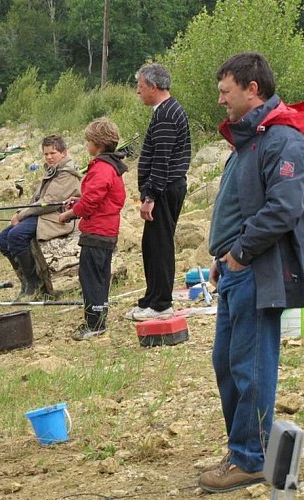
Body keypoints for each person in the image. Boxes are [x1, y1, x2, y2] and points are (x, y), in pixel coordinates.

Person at [200, 52, 304, 494]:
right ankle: (248, 448)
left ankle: (250, 459)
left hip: (258, 270)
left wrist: (239, 254)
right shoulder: (250, 140)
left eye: (225, 92)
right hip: (235, 270)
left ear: (253, 89)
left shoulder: (283, 140)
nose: (220, 101)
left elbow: (283, 211)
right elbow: (240, 207)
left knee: (250, 366)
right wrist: (221, 259)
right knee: (227, 363)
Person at [125, 63, 192, 322]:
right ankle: (152, 298)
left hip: (165, 189)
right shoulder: (164, 111)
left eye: (140, 87)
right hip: (165, 188)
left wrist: (150, 196)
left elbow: (162, 160)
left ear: (153, 86)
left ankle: (162, 303)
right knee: (151, 245)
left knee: (160, 246)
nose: (137, 92)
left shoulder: (166, 114)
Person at [59, 118, 127, 340]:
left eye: (88, 141)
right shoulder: (110, 167)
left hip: (97, 232)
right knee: (99, 275)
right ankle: (99, 318)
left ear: (97, 144)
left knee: (90, 277)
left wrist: (70, 213)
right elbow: (93, 197)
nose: (86, 145)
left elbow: (90, 203)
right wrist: (76, 200)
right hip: (105, 231)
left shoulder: (102, 168)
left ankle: (94, 323)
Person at [0, 135, 81, 298]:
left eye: (53, 153)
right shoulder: (53, 169)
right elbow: (37, 199)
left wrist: (21, 215)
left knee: (16, 235)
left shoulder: (67, 173)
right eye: (46, 154)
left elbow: (50, 202)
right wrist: (20, 212)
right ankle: (24, 280)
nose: (49, 157)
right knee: (3, 238)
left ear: (63, 153)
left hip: (57, 217)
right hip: (44, 213)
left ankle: (35, 284)